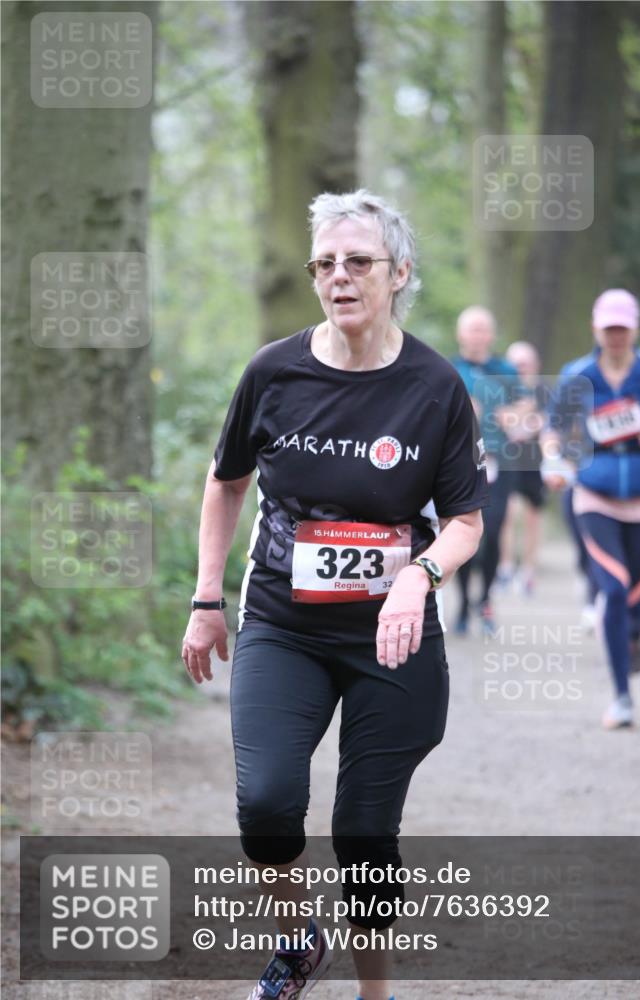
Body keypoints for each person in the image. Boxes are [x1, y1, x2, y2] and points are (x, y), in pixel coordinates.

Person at [181, 189, 487, 1000]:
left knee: (363, 836)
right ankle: (296, 938)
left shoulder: (433, 386)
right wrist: (207, 600)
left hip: (393, 636)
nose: (339, 277)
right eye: (325, 264)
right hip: (285, 624)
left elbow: (463, 521)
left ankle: (373, 993)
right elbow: (225, 485)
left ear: (398, 274)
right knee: (269, 805)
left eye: (358, 262)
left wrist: (418, 578)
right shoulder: (273, 371)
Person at [542, 289, 640, 729]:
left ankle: (636, 632)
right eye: (608, 327)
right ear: (597, 328)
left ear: (634, 329)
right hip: (593, 495)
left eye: (623, 327)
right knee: (612, 589)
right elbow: (553, 430)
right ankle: (621, 697)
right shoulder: (579, 374)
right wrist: (554, 460)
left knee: (638, 600)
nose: (615, 335)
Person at [450, 307, 523, 633]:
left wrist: (516, 414)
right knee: (462, 532)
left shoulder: (507, 371)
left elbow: (527, 409)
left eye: (483, 330)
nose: (478, 336)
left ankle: (487, 599)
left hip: (500, 461)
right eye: (472, 329)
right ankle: (465, 601)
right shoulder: (447, 369)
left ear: (491, 336)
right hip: (462, 464)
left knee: (492, 533)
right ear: (460, 334)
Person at [497, 341, 547, 595]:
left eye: (526, 364)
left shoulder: (542, 391)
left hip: (535, 462)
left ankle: (528, 571)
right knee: (507, 514)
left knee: (532, 518)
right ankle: (505, 567)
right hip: (508, 461)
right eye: (517, 364)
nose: (521, 368)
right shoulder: (504, 390)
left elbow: (551, 423)